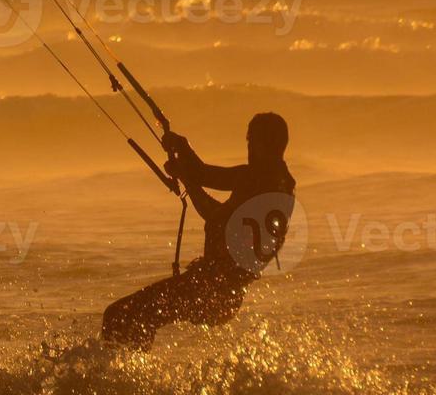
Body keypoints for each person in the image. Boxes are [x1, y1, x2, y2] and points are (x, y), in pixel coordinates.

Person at [101, 113, 297, 350]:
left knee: (119, 316)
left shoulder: (261, 180)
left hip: (209, 290)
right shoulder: (277, 181)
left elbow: (212, 213)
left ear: (259, 143)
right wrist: (182, 148)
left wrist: (185, 177)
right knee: (137, 316)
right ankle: (127, 376)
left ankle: (121, 381)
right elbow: (204, 174)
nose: (248, 148)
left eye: (249, 141)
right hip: (222, 294)